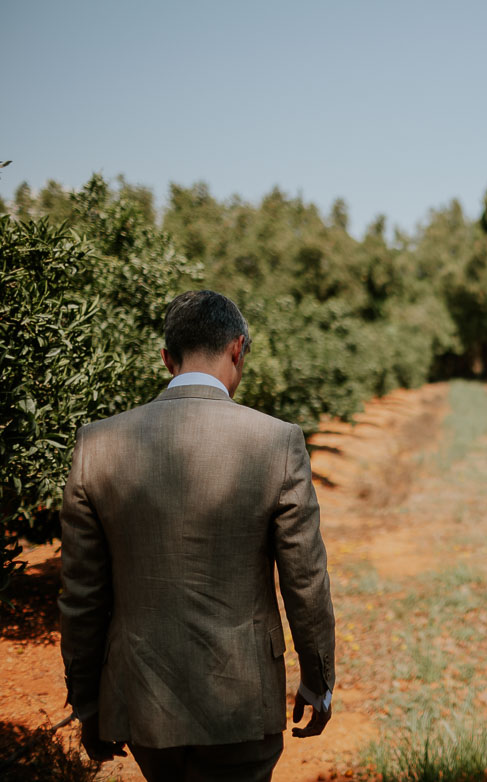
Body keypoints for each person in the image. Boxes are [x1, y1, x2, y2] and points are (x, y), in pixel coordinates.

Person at [58, 290, 336, 782]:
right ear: (238, 348)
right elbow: (305, 580)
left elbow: (81, 594)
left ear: (167, 359)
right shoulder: (277, 442)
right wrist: (318, 681)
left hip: (143, 701)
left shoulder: (96, 444)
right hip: (241, 704)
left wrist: (87, 700)